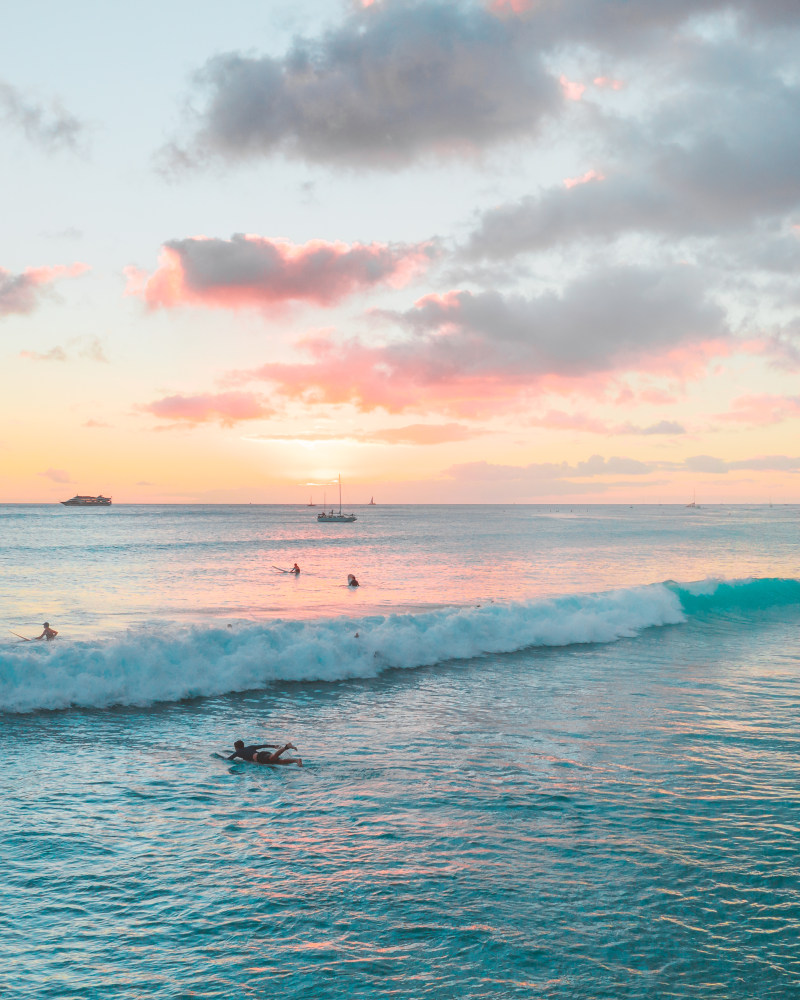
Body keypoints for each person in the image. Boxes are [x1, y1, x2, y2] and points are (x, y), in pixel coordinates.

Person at [227, 739, 302, 767]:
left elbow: (230, 759)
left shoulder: (238, 752)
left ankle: (286, 747)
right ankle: (296, 760)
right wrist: (273, 746)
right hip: (263, 754)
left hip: (260, 757)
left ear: (236, 748)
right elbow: (262, 746)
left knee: (273, 758)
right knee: (280, 762)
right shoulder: (249, 747)